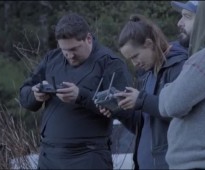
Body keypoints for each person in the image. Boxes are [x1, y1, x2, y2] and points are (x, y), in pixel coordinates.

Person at [19, 12, 132, 169]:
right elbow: (24, 96)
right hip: (49, 156)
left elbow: (125, 109)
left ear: (88, 39)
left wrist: (80, 96)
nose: (69, 55)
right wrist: (35, 95)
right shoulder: (52, 59)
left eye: (74, 49)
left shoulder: (110, 63)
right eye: (64, 49)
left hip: (88, 156)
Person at [99, 14, 188, 169]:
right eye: (130, 60)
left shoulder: (181, 67)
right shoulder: (147, 75)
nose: (135, 64)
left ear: (149, 44)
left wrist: (142, 100)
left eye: (135, 56)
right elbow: (142, 127)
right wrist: (118, 110)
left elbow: (181, 116)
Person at [159, 1, 205, 169]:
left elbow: (172, 104)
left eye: (187, 17)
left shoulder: (204, 59)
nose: (179, 23)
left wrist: (167, 89)